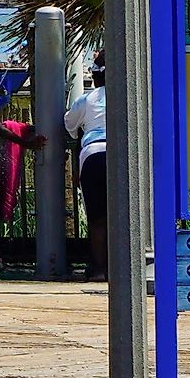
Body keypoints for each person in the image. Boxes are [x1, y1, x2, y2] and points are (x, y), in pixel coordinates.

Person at [65, 59, 110, 281]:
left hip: (92, 155)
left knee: (97, 218)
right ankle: (121, 266)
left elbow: (69, 124)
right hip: (121, 156)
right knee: (122, 215)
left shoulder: (86, 99)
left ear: (94, 77)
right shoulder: (126, 95)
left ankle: (99, 269)